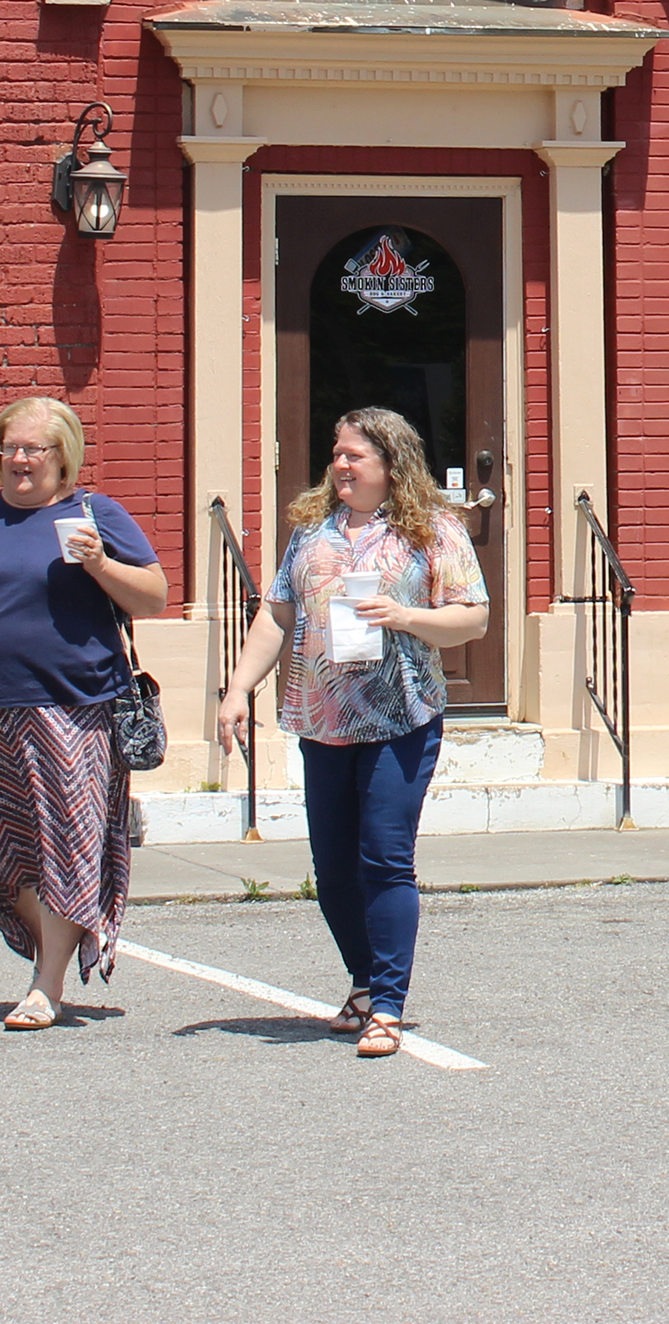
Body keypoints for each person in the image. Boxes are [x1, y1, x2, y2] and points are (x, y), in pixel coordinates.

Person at [218, 406, 490, 1059]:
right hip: (324, 718)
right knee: (334, 869)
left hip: (402, 715)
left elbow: (474, 619)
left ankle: (389, 1006)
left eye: (355, 455)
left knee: (385, 857)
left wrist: (404, 614)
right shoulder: (311, 531)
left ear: (391, 463)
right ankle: (364, 983)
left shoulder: (433, 531)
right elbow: (277, 614)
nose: (341, 465)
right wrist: (236, 688)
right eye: (337, 453)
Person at [0, 396, 163, 1031]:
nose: (17, 459)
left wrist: (100, 563)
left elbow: (153, 597)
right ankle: (54, 951)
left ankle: (46, 985)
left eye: (31, 449)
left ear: (62, 456)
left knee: (68, 847)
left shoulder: (96, 515)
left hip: (75, 710)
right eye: (8, 447)